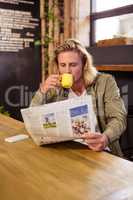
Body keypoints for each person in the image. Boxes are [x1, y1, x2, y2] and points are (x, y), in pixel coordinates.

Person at [30, 38, 127, 157]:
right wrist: (42, 91)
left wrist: (105, 138)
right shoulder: (55, 86)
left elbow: (118, 118)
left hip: (99, 150)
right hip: (67, 150)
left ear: (84, 64)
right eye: (63, 65)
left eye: (73, 65)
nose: (67, 71)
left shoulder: (105, 82)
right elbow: (32, 117)